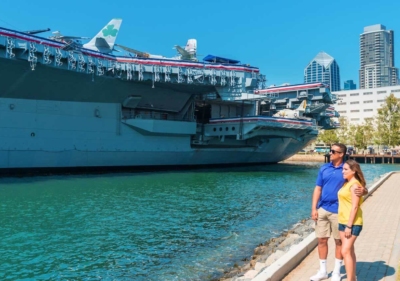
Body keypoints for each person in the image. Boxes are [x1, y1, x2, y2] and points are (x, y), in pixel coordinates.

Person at [310, 143, 367, 281]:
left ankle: (336, 272)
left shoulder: (347, 169)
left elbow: (359, 184)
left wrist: (365, 190)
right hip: (323, 209)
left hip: (339, 212)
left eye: (333, 151)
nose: (330, 153)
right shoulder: (324, 168)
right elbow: (318, 188)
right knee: (321, 240)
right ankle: (323, 271)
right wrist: (314, 208)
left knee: (339, 243)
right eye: (330, 151)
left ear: (341, 154)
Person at [338, 160, 366, 281]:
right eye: (342, 169)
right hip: (342, 221)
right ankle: (353, 278)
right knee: (349, 251)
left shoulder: (354, 185)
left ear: (353, 171)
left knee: (345, 251)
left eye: (345, 169)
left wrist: (349, 226)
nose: (343, 171)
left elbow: (355, 207)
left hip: (353, 223)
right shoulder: (346, 183)